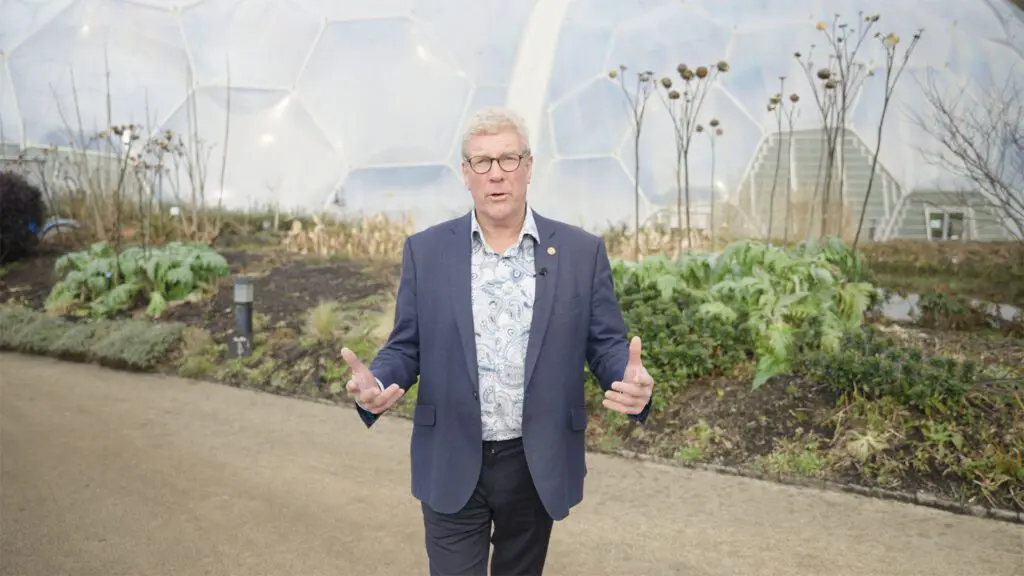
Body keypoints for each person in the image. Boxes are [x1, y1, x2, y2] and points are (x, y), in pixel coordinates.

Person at [341, 107, 655, 576]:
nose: (496, 174)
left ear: (528, 167)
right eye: (482, 163)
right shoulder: (426, 251)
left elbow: (607, 344)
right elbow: (407, 345)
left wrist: (628, 381)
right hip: (450, 453)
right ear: (465, 175)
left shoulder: (579, 251)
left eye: (508, 159)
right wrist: (378, 383)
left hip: (536, 461)